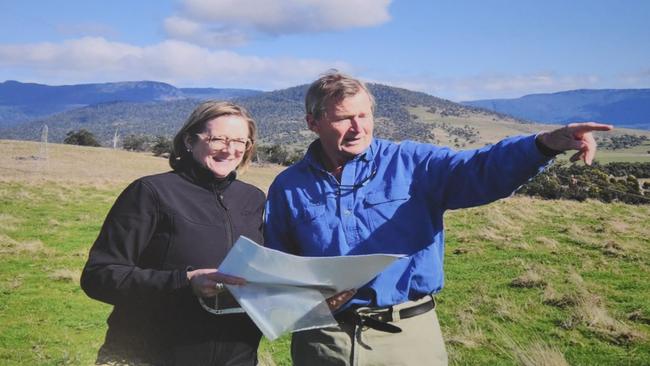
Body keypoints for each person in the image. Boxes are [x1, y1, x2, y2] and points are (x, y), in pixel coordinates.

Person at [263, 71, 613, 366]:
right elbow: (279, 268)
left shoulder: (413, 163)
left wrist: (544, 145)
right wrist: (305, 300)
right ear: (313, 123)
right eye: (342, 118)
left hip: (408, 337)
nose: (358, 128)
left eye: (364, 115)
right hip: (324, 342)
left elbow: (480, 170)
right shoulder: (289, 187)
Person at [81, 101, 265, 365]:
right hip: (146, 356)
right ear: (189, 140)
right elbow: (98, 276)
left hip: (236, 358)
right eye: (218, 139)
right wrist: (184, 282)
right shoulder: (150, 193)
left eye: (240, 141)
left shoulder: (253, 199)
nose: (230, 149)